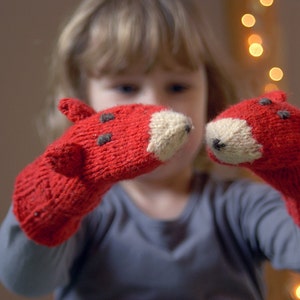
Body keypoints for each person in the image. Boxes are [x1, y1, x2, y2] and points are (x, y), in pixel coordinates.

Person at [0, 0, 299, 299]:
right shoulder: (81, 217)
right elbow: (25, 280)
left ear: (210, 96)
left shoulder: (244, 205)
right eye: (126, 87)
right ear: (82, 100)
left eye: (178, 87)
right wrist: (55, 198)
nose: (158, 107)